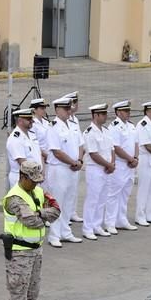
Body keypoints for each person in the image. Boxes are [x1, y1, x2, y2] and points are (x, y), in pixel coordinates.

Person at [2, 161, 60, 300]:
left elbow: (57, 210)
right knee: (18, 291)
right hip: (19, 251)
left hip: (36, 249)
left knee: (33, 292)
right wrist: (43, 214)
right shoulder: (14, 197)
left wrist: (39, 213)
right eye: (33, 180)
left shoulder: (37, 191)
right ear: (22, 177)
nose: (36, 184)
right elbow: (31, 221)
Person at [45, 97, 84, 248]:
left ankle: (66, 232)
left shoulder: (74, 124)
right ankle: (54, 235)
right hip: (60, 168)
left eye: (70, 108)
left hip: (74, 168)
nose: (69, 111)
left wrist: (79, 160)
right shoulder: (53, 127)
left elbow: (81, 145)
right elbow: (56, 151)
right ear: (57, 110)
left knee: (69, 201)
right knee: (57, 203)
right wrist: (73, 162)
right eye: (66, 109)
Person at [104, 100, 139, 234]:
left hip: (130, 165)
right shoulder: (114, 127)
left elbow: (136, 143)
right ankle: (110, 222)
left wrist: (135, 158)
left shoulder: (131, 126)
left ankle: (121, 219)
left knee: (125, 193)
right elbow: (116, 147)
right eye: (125, 111)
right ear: (118, 112)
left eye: (129, 111)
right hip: (120, 164)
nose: (128, 113)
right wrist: (130, 158)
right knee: (114, 194)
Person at [81, 104, 115, 241]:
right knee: (93, 199)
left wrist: (112, 163)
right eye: (103, 114)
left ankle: (97, 225)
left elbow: (112, 149)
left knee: (102, 199)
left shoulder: (106, 131)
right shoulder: (89, 132)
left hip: (106, 169)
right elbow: (93, 154)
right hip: (95, 169)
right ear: (96, 115)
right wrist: (108, 165)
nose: (106, 116)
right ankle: (87, 228)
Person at [6, 109, 42, 188]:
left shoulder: (31, 134)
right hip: (23, 178)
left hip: (34, 177)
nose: (32, 121)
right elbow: (22, 162)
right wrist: (36, 174)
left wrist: (40, 173)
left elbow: (38, 154)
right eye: (28, 119)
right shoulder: (16, 138)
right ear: (20, 120)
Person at [66, 91, 84, 223]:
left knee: (73, 188)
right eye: (73, 103)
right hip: (66, 161)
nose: (75, 105)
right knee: (63, 190)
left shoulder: (75, 120)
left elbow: (79, 141)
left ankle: (72, 211)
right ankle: (64, 213)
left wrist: (80, 158)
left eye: (76, 102)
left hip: (77, 160)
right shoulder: (65, 120)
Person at [30, 98, 51, 164]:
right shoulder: (32, 124)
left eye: (45, 108)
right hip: (39, 158)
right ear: (34, 110)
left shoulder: (46, 122)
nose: (44, 110)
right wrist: (45, 155)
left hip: (50, 157)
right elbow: (33, 144)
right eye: (42, 108)